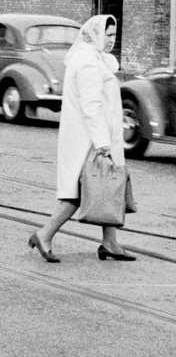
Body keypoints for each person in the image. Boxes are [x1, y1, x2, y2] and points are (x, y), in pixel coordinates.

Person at [28, 15, 134, 262]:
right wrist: (103, 145)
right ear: (94, 33)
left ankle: (110, 242)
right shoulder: (87, 61)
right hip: (89, 141)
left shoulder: (94, 58)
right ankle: (44, 234)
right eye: (107, 35)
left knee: (108, 188)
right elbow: (91, 105)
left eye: (113, 35)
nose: (111, 40)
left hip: (94, 138)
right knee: (81, 192)